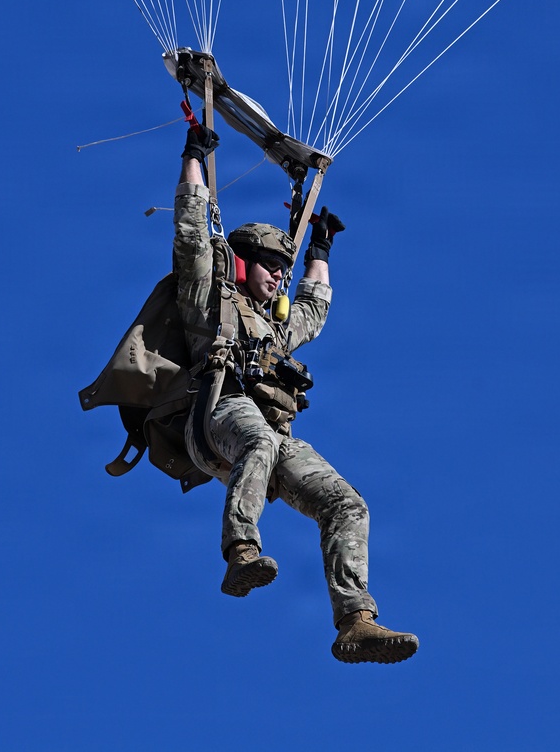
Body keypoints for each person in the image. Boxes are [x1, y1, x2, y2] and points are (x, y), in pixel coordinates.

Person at [173, 117, 419, 664]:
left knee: (347, 504)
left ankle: (355, 620)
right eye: (271, 266)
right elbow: (191, 233)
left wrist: (320, 253)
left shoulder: (275, 327)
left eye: (285, 271)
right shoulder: (207, 302)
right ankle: (240, 549)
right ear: (241, 264)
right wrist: (193, 158)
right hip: (216, 414)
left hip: (272, 433)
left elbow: (313, 311)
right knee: (257, 442)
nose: (279, 279)